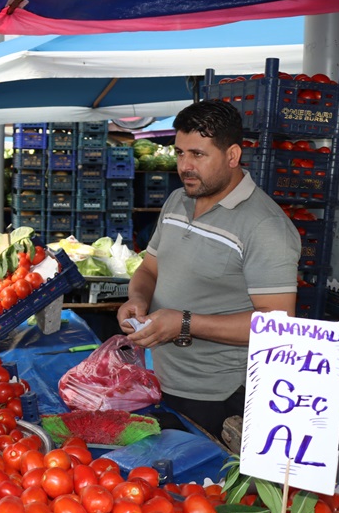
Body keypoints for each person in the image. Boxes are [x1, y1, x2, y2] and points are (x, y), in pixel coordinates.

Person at [117, 100, 300, 441]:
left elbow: (278, 324)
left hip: (218, 396)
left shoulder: (265, 226)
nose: (184, 165)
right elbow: (149, 268)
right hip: (158, 378)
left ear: (232, 156)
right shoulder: (176, 201)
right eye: (179, 152)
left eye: (198, 155)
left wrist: (184, 323)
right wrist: (136, 299)